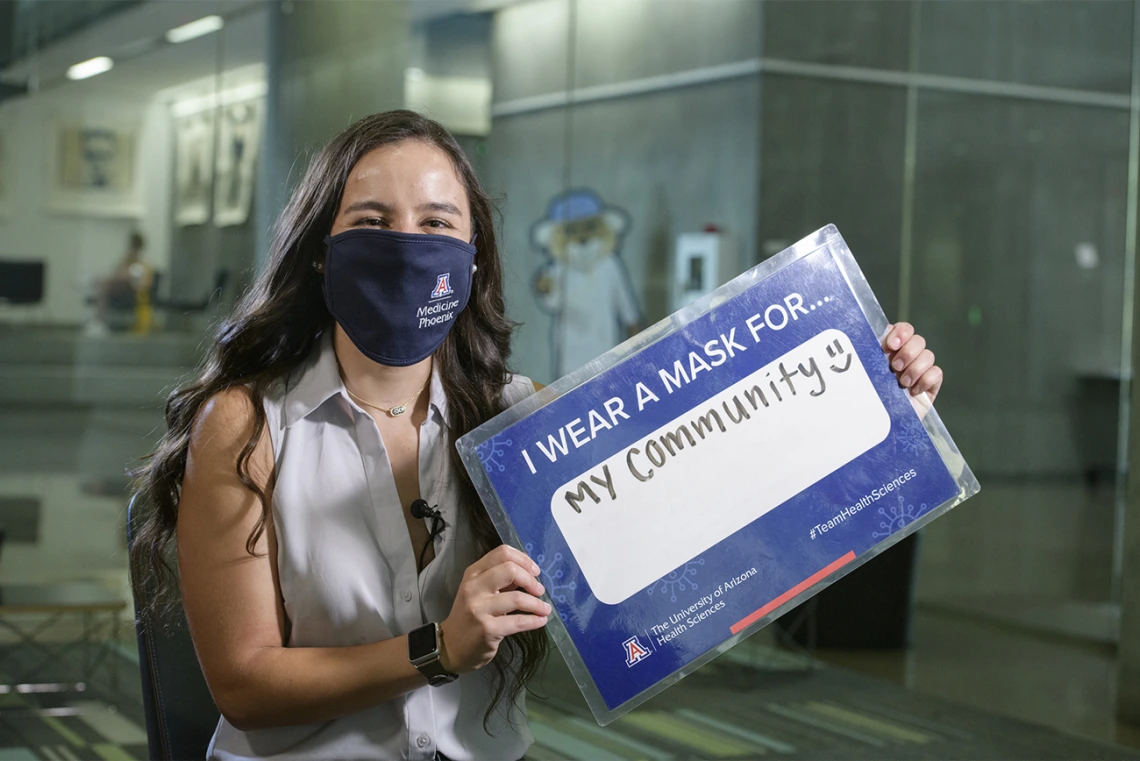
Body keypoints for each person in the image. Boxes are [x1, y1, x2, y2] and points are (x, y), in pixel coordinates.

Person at [129, 110, 944, 761]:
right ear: (320, 253)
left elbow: (713, 513)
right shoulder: (245, 422)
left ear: (475, 260)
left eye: (438, 224)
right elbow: (244, 684)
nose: (410, 246)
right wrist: (437, 648)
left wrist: (875, 399)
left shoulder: (528, 422)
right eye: (374, 220)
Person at [91, 231, 154, 333]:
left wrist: (133, 282)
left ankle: (99, 321)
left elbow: (145, 285)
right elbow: (117, 274)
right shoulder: (125, 262)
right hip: (120, 289)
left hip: (133, 294)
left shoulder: (144, 266)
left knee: (106, 284)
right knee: (105, 283)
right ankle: (99, 322)